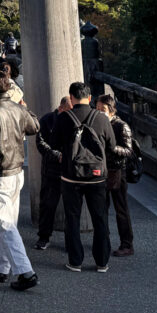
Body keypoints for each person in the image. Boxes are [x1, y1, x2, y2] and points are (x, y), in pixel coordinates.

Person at [0, 71, 40, 291]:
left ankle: (25, 270)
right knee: (6, 221)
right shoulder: (18, 109)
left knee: (4, 223)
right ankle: (1, 266)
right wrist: (24, 106)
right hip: (17, 169)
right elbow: (35, 127)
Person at [54, 82, 116, 273]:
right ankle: (102, 261)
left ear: (71, 98)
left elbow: (55, 143)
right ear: (89, 98)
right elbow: (111, 145)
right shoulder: (101, 118)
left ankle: (75, 261)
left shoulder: (64, 118)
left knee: (72, 218)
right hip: (96, 177)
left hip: (71, 177)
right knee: (100, 218)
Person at [97, 94, 135, 257]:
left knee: (121, 209)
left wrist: (112, 148)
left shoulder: (121, 126)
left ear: (111, 110)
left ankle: (127, 244)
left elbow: (128, 150)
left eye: (103, 109)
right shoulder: (99, 123)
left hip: (118, 170)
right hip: (102, 170)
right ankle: (103, 241)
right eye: (97, 109)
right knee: (101, 208)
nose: (100, 112)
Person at [33, 96, 71, 250]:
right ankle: (44, 236)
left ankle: (71, 240)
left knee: (71, 207)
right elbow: (40, 142)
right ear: (61, 107)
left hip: (69, 169)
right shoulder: (47, 120)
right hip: (51, 168)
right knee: (48, 205)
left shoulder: (73, 119)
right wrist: (56, 155)